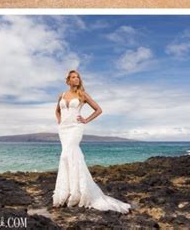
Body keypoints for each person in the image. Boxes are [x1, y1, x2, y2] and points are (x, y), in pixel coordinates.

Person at [52, 69, 131, 213]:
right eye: (73, 77)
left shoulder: (82, 95)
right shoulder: (62, 95)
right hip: (63, 129)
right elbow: (57, 111)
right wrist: (59, 121)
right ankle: (65, 192)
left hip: (76, 127)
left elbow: (98, 109)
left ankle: (77, 193)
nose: (76, 79)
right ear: (68, 80)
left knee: (68, 154)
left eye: (78, 77)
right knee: (66, 157)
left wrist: (86, 120)